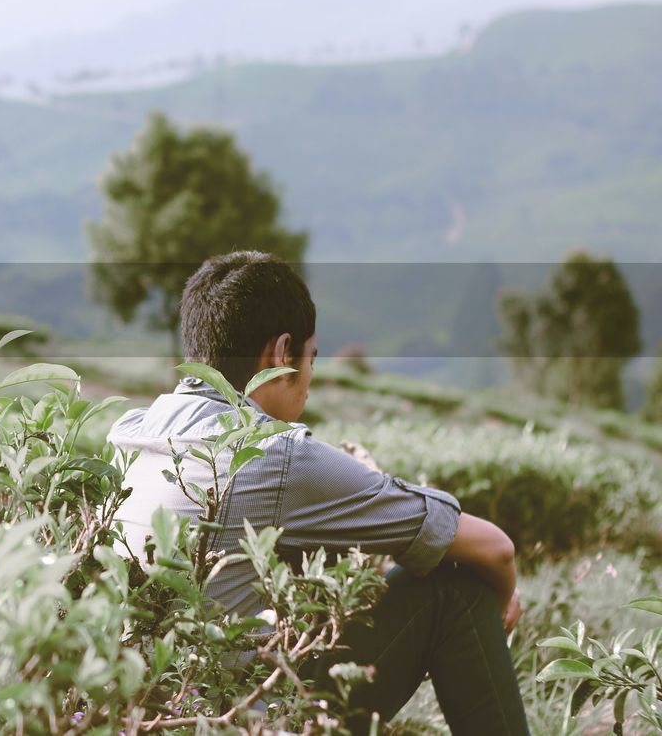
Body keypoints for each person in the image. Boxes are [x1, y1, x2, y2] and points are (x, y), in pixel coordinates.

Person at [108, 251, 528, 734]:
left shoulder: (131, 436)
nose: (309, 380)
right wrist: (501, 606)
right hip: (245, 723)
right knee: (455, 586)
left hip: (143, 717)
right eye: (311, 358)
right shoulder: (278, 455)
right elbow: (495, 549)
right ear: (282, 353)